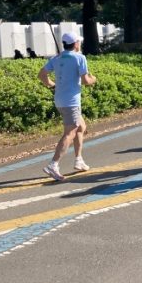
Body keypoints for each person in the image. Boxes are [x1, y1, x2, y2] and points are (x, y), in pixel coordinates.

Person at [38, 32, 96, 181]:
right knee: (69, 133)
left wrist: (52, 85)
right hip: (71, 102)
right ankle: (54, 164)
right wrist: (93, 79)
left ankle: (79, 160)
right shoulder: (80, 58)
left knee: (81, 127)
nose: (80, 44)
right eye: (79, 42)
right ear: (76, 43)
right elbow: (85, 80)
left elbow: (42, 75)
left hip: (60, 100)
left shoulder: (56, 58)